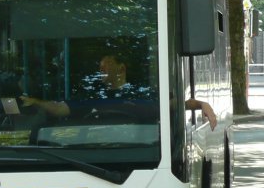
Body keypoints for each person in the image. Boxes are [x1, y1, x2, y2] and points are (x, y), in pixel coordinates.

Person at [22, 52, 218, 130]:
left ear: (122, 69)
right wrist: (36, 102)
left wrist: (202, 104)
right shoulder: (91, 96)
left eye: (105, 66)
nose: (101, 71)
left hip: (143, 154)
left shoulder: (144, 94)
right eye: (100, 67)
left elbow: (176, 105)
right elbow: (59, 109)